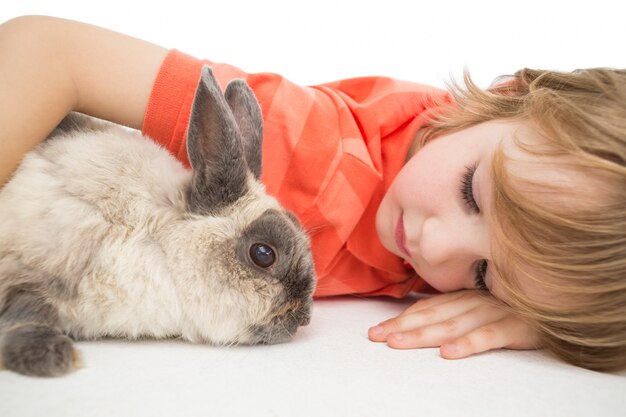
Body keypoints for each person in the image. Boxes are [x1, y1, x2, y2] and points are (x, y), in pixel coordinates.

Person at [0, 15, 624, 372]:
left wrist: (549, 317)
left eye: (484, 273)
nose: (435, 248)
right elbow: (48, 50)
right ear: (507, 96)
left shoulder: (517, 197)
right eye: (471, 194)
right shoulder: (308, 143)